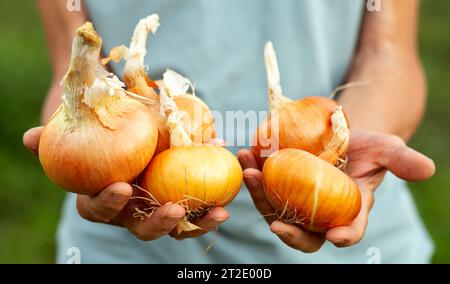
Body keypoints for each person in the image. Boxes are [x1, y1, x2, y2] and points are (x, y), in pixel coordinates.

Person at [24, 0, 435, 263]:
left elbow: (388, 50)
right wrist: (84, 158)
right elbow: (74, 58)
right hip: (125, 240)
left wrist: (345, 150)